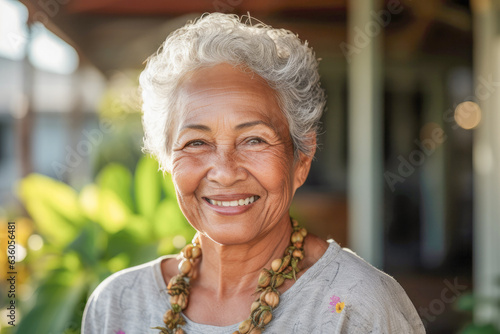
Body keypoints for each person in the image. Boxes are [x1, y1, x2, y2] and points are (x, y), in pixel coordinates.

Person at [82, 12, 425, 334]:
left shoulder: (358, 307)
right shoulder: (118, 304)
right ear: (167, 161)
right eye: (197, 142)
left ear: (301, 159)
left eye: (254, 140)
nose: (225, 172)